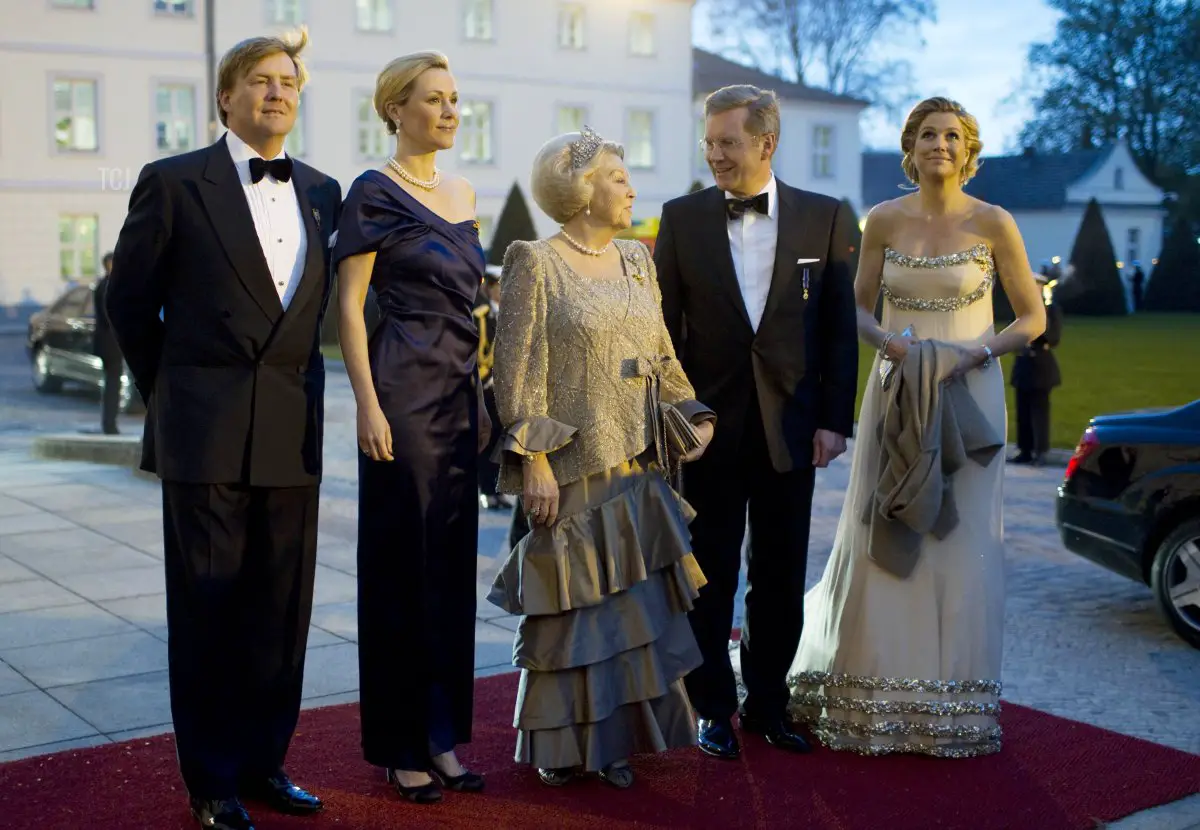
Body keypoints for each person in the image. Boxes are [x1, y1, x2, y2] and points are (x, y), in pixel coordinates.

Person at [105, 30, 338, 830]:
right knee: (208, 612)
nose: (279, 93)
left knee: (281, 612)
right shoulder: (172, 183)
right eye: (262, 81)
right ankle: (210, 781)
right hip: (203, 430)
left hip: (289, 429)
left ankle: (265, 761)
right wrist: (171, 391)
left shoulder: (322, 189)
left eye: (290, 82)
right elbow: (129, 303)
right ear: (227, 97)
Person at [787, 96, 1046, 757]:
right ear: (910, 146)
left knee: (960, 544)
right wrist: (888, 342)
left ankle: (948, 705)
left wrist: (976, 351)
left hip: (973, 392)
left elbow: (1031, 318)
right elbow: (855, 308)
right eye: (928, 133)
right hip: (897, 390)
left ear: (968, 149)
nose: (939, 144)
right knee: (888, 524)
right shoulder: (883, 219)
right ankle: (871, 695)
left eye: (951, 135)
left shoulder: (995, 222)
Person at [487, 127, 715, 789]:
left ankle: (616, 743)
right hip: (570, 463)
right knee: (574, 616)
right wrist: (533, 461)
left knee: (628, 614)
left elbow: (664, 354)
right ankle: (562, 750)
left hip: (639, 462)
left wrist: (693, 414)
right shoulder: (536, 259)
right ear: (582, 190)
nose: (631, 189)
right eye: (618, 177)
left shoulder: (637, 262)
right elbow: (516, 371)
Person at [653, 84, 859, 760]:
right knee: (708, 575)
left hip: (791, 429)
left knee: (778, 575)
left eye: (727, 143)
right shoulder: (680, 219)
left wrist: (834, 421)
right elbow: (663, 334)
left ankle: (768, 704)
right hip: (707, 429)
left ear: (766, 144)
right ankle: (711, 707)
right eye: (709, 143)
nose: (714, 155)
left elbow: (836, 330)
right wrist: (676, 417)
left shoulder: (827, 217)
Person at [333, 51, 486, 806]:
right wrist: (366, 403)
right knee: (402, 572)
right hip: (400, 394)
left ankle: (442, 737)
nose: (451, 111)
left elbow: (474, 310)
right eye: (435, 100)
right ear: (396, 108)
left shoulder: (463, 192)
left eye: (456, 99)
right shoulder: (372, 192)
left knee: (452, 573)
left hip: (460, 400)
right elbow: (351, 307)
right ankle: (400, 745)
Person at [1009, 272, 1063, 465]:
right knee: (1022, 412)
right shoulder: (1021, 309)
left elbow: (1053, 337)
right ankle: (1025, 449)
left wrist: (1034, 330)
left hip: (1041, 366)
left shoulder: (1050, 310)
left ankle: (1041, 451)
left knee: (1039, 412)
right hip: (1024, 364)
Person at [475, 268, 507, 509]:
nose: (501, 291)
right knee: (485, 440)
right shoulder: (481, 315)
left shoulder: (509, 315)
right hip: (484, 386)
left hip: (502, 389)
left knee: (499, 441)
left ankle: (497, 490)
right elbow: (478, 353)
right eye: (498, 286)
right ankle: (485, 489)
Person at [91, 251, 123, 435]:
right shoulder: (109, 286)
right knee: (113, 385)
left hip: (106, 343)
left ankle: (109, 423)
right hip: (111, 344)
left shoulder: (103, 284)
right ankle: (110, 425)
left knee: (111, 384)